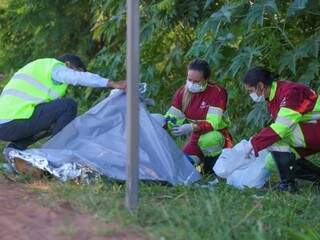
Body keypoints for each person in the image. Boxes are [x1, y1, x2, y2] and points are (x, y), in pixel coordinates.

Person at [0, 55, 126, 155]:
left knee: (56, 119)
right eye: (77, 70)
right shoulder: (55, 67)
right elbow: (76, 77)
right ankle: (55, 152)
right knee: (68, 106)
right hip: (16, 119)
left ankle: (15, 149)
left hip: (5, 126)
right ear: (67, 64)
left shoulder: (38, 70)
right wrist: (112, 83)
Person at [242, 66, 320, 192]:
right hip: (312, 129)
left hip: (315, 128)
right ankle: (317, 177)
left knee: (276, 138)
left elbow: (281, 128)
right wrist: (258, 140)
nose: (250, 95)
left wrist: (254, 142)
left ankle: (288, 186)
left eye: (250, 91)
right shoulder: (274, 96)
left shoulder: (291, 92)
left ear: (261, 86)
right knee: (271, 161)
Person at [164, 59, 232, 174]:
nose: (191, 84)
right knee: (183, 167)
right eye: (189, 79)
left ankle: (211, 171)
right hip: (195, 137)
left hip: (218, 135)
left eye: (196, 81)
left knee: (209, 139)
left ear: (206, 79)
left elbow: (213, 123)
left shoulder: (217, 92)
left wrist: (191, 127)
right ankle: (200, 164)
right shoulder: (182, 92)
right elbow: (171, 118)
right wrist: (161, 123)